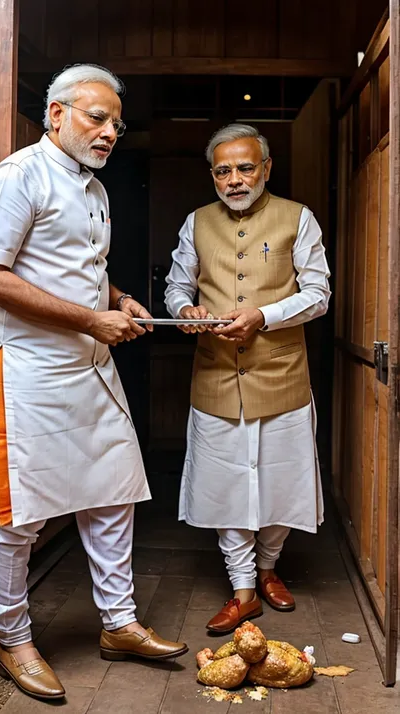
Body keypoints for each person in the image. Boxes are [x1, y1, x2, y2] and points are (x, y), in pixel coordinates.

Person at [0, 63, 187, 702]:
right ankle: (12, 638)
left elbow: (76, 268)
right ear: (55, 114)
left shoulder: (94, 187)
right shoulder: (18, 177)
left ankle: (119, 624)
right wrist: (93, 317)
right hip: (28, 370)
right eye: (97, 117)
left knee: (113, 493)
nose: (111, 131)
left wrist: (118, 297)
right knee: (17, 516)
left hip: (90, 367)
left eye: (117, 122)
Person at [165, 123, 330, 634]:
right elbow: (175, 286)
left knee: (283, 479)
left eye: (244, 168)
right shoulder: (196, 223)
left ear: (265, 169)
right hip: (215, 375)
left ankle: (269, 569)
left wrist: (263, 315)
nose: (234, 179)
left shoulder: (297, 219)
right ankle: (242, 588)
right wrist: (186, 308)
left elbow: (319, 293)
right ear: (212, 175)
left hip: (281, 375)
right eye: (223, 170)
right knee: (224, 484)